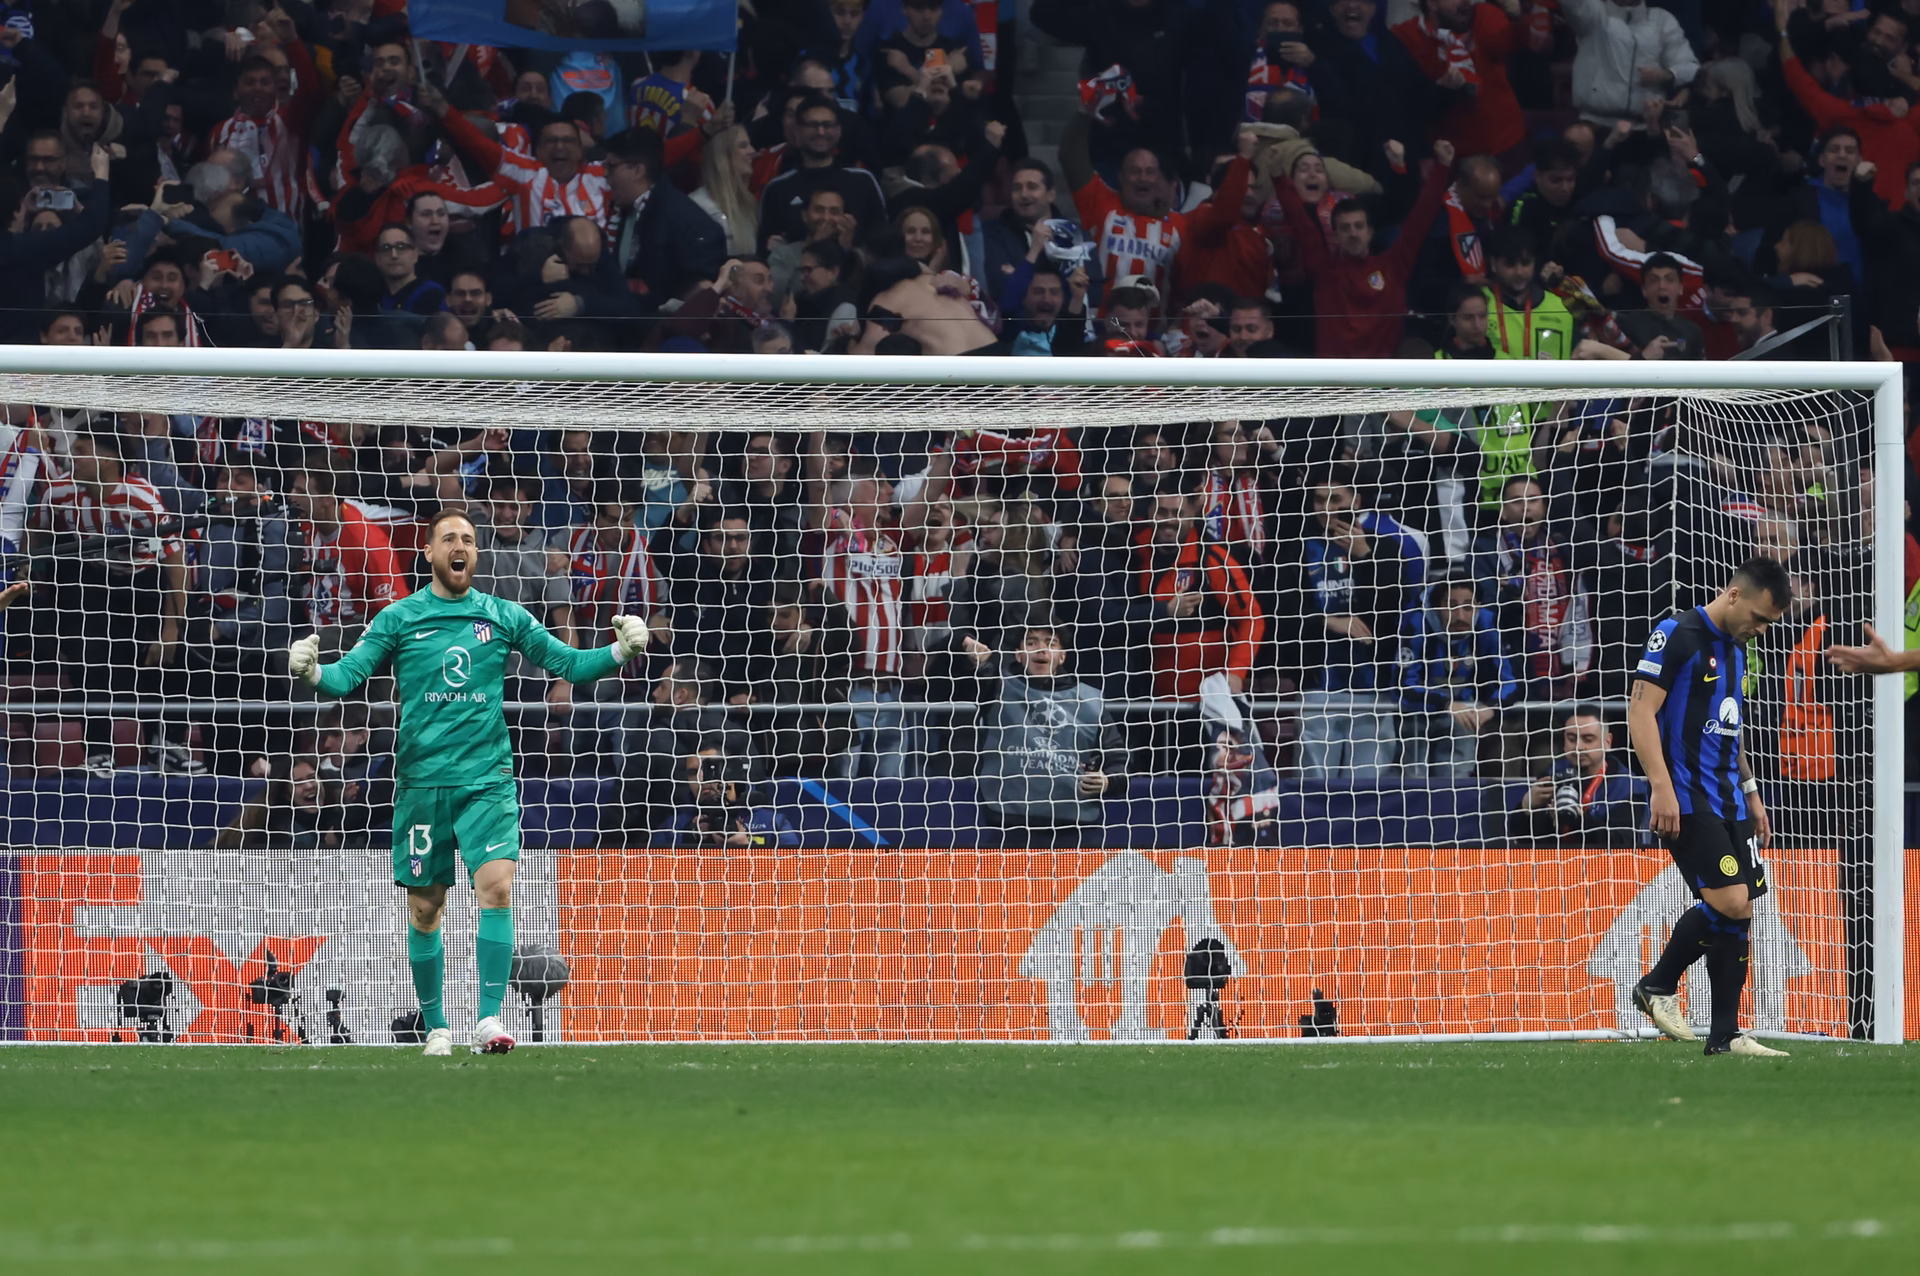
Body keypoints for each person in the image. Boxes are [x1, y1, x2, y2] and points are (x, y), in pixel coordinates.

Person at [287, 508, 651, 1058]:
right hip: (422, 787)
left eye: (470, 541)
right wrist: (313, 672)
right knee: (425, 907)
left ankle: (488, 1019)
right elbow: (348, 677)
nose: (462, 547)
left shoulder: (502, 615)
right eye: (450, 539)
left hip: (487, 781)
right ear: (430, 554)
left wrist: (620, 651)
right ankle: (436, 1027)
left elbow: (568, 665)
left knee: (497, 888)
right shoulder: (398, 618)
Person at [1626, 555, 1793, 1059]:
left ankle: (1724, 1036)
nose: (1762, 630)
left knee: (1741, 909)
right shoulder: (1677, 633)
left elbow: (1729, 728)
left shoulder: (1739, 651)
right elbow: (1640, 709)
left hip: (1727, 797)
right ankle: (1656, 985)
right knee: (1732, 900)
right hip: (1687, 797)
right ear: (1735, 594)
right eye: (1760, 618)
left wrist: (1751, 793)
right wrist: (1660, 786)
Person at [962, 623, 1125, 847]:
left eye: (1051, 643)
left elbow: (1120, 764)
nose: (1041, 649)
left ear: (1062, 656)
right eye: (1031, 642)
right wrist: (966, 644)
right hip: (1009, 824)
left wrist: (1107, 781)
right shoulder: (995, 686)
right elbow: (942, 653)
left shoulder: (1090, 701)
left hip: (1074, 829)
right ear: (1018, 655)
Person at [1507, 711, 1644, 847]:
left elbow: (1623, 845)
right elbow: (1523, 840)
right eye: (1572, 739)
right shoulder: (1550, 775)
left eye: (1588, 739)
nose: (1578, 747)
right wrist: (1525, 808)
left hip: (1602, 866)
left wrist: (1579, 821)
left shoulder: (1627, 785)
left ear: (1607, 742)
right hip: (1553, 864)